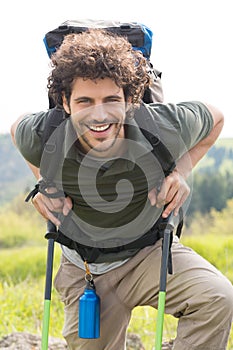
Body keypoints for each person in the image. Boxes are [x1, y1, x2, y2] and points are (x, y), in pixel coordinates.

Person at [11, 28, 233, 350]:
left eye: (111, 99)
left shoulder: (161, 125)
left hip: (150, 253)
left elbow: (215, 119)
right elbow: (18, 131)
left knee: (217, 297)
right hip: (85, 266)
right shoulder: (45, 134)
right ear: (65, 102)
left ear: (130, 100)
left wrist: (181, 173)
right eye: (85, 101)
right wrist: (46, 183)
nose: (99, 115)